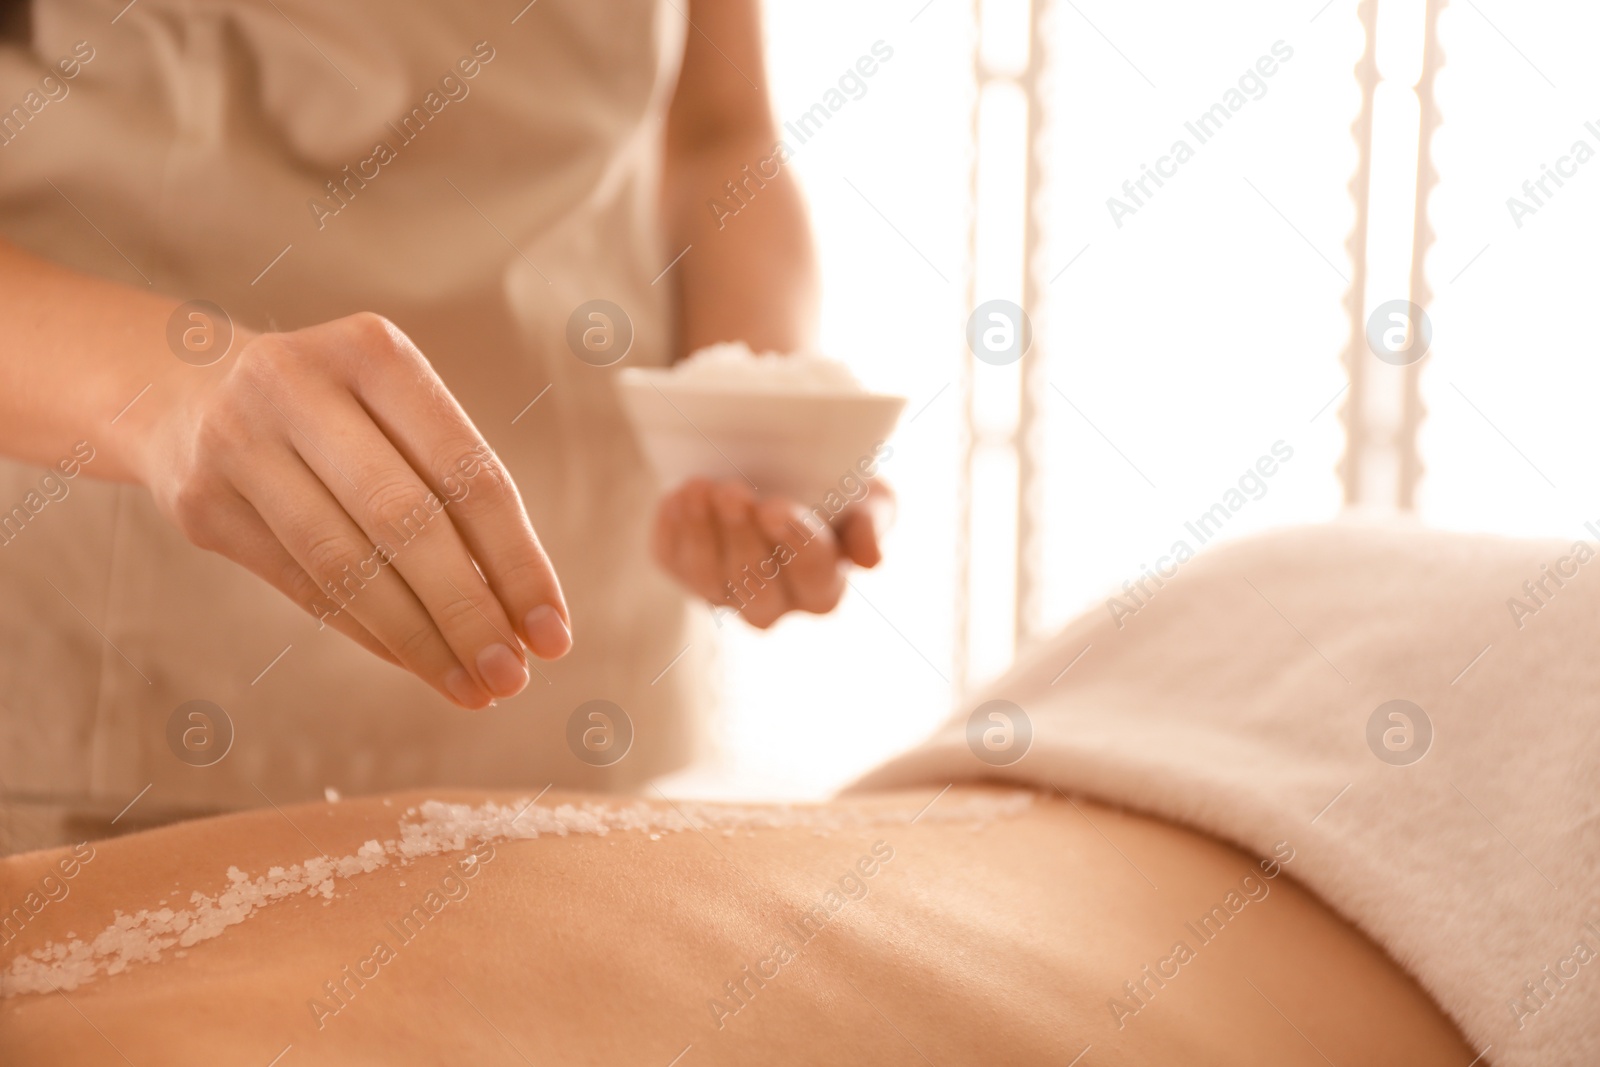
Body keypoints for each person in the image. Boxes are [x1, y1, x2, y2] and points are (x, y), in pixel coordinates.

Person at [0, 0, 890, 851]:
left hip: (584, 683)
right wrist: (170, 391)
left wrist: (755, 416)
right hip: (122, 693)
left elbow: (717, 135)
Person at [0, 786, 1473, 1065]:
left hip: (560, 649)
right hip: (124, 637)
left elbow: (721, 138)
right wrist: (168, 388)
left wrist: (769, 438)